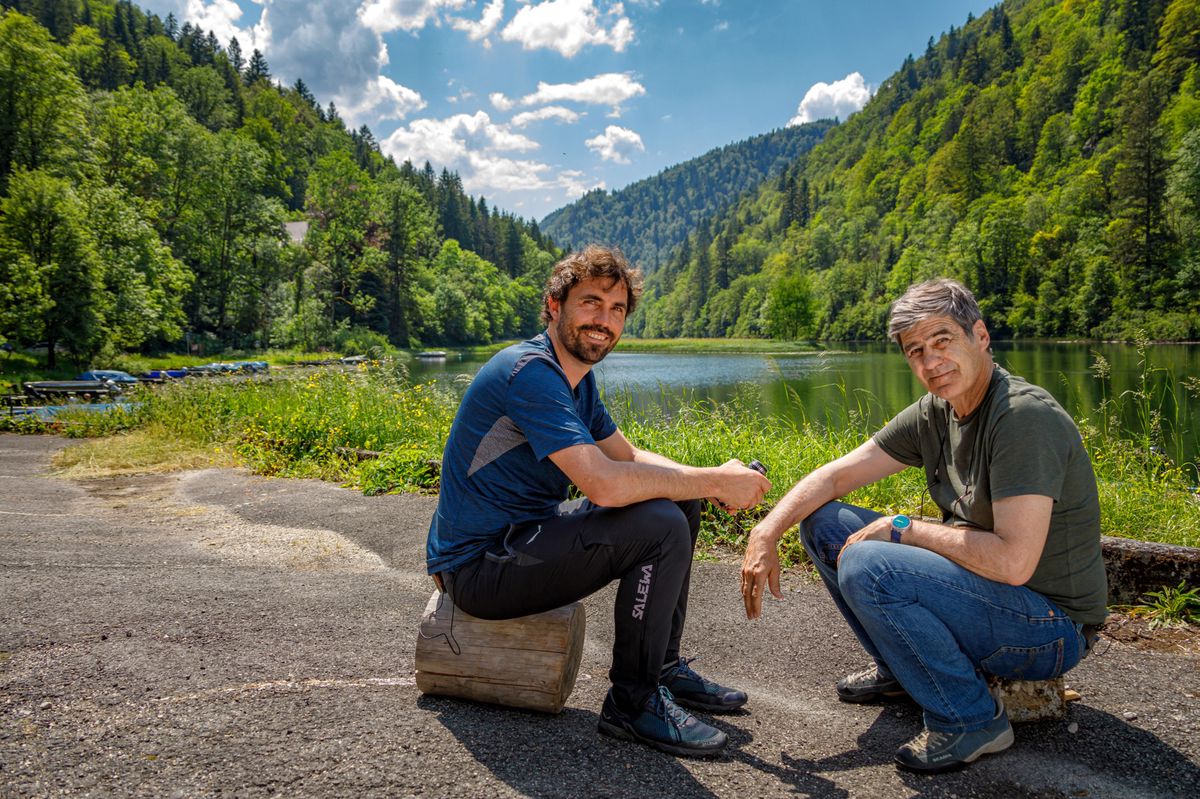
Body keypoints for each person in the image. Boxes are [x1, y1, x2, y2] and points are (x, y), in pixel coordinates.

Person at [740, 277, 1107, 773]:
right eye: (916, 351)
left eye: (942, 341)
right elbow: (837, 475)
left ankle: (970, 719)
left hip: (1049, 627)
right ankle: (901, 670)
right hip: (988, 593)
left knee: (871, 564)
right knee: (824, 523)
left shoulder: (1022, 418)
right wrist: (767, 530)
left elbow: (1014, 562)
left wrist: (904, 528)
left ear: (980, 336)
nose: (931, 363)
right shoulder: (939, 410)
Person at [427, 245, 771, 757]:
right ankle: (631, 703)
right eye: (590, 303)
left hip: (522, 537)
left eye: (616, 310)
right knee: (658, 523)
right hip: (478, 566)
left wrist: (714, 479)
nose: (603, 321)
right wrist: (715, 481)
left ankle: (662, 670)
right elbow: (605, 485)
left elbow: (628, 455)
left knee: (678, 504)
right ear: (554, 305)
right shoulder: (531, 373)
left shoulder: (575, 381)